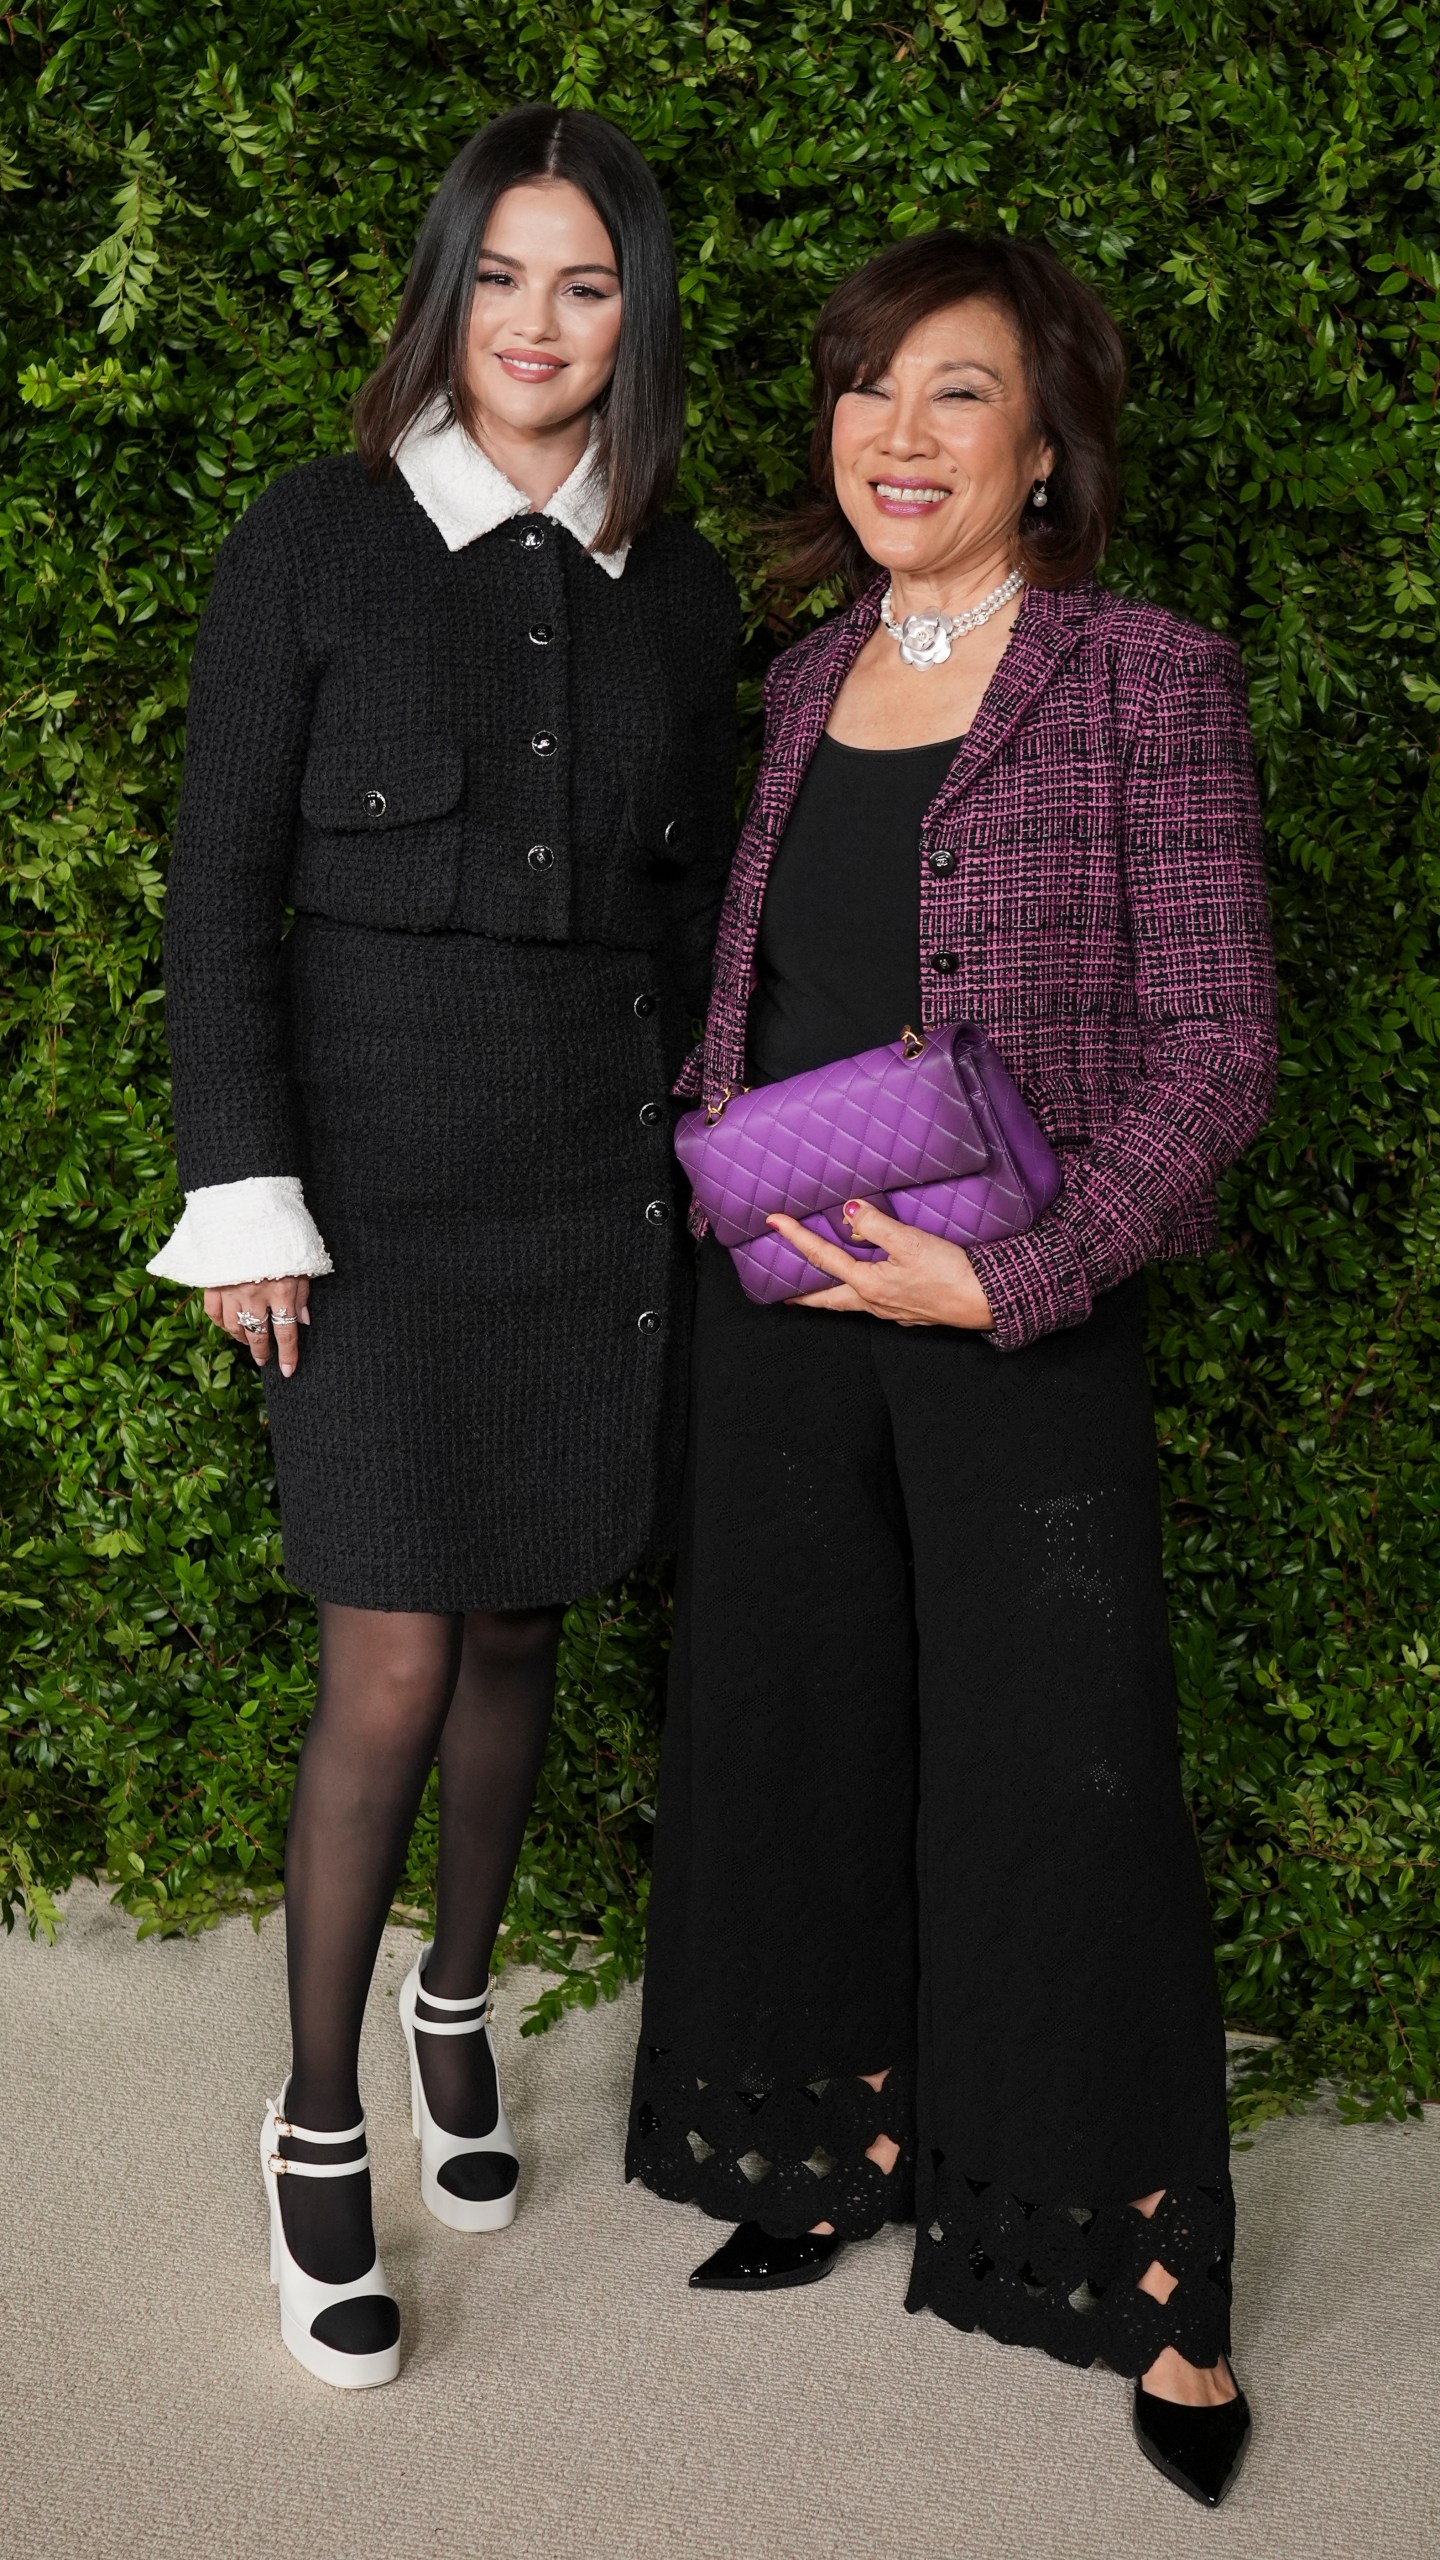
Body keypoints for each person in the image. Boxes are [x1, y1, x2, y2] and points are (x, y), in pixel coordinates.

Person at [626, 230, 1274, 2511]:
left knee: (1065, 1781)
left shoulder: (1143, 678)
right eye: (868, 389)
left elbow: (1215, 1055)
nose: (900, 436)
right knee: (795, 1729)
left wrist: (1016, 1281)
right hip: (782, 1310)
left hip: (1019, 1316)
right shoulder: (797, 682)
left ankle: (1154, 2287)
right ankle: (829, 2139)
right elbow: (764, 1000)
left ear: (1045, 441)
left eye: (960, 395)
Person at [148, 103, 739, 2388]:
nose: (538, 326)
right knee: (386, 1657)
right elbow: (217, 888)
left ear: (636, 314)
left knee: (519, 1617)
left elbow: (692, 911)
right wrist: (245, 1193)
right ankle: (315, 2122)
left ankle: (459, 1986)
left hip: (588, 1177)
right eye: (501, 276)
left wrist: (714, 1165)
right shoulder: (310, 536)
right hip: (371, 1194)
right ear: (444, 290)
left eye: (586, 284)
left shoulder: (678, 581)